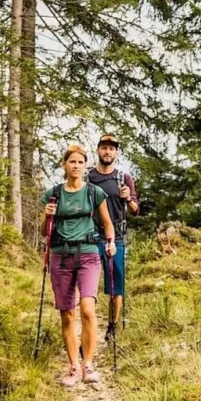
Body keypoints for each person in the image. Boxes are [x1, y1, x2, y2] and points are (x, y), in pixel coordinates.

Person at [43, 143, 116, 387]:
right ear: (65, 164)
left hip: (87, 254)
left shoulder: (94, 192)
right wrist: (47, 214)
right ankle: (73, 366)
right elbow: (45, 231)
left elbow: (107, 223)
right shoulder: (53, 194)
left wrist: (110, 242)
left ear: (86, 166)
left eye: (80, 162)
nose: (76, 166)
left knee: (87, 308)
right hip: (60, 255)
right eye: (72, 161)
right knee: (67, 314)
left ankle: (88, 364)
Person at [88, 132, 139, 343]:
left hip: (116, 238)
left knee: (116, 286)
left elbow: (136, 209)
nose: (107, 151)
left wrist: (128, 199)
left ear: (116, 153)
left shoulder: (124, 178)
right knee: (87, 286)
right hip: (89, 237)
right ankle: (87, 331)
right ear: (98, 150)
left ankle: (112, 327)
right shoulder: (87, 177)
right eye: (104, 147)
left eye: (111, 148)